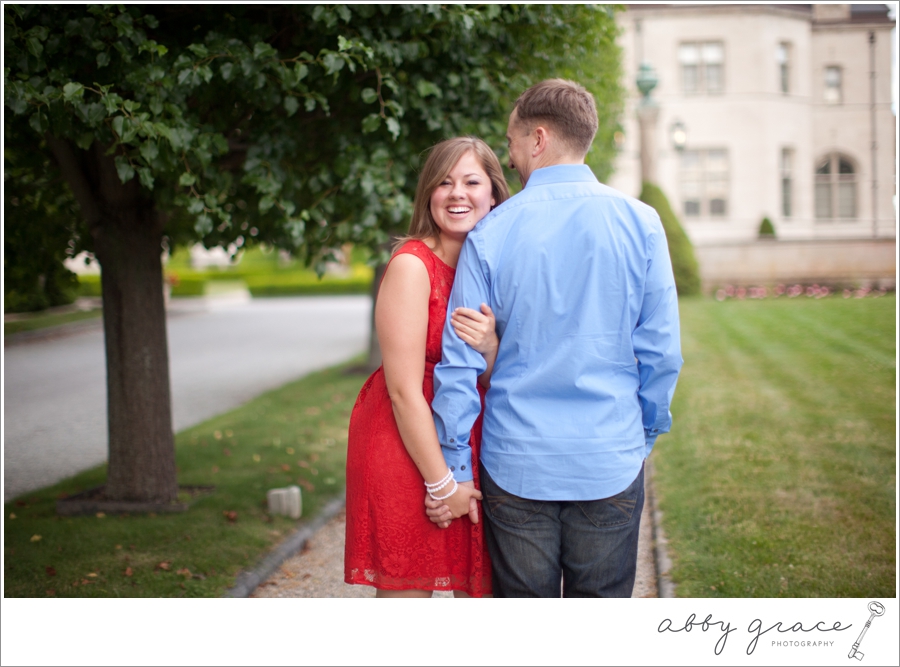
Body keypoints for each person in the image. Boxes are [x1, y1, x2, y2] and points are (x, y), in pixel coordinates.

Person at [429, 79, 684, 597]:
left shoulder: (490, 233)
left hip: (516, 458)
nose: (511, 153)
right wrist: (646, 433)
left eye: (514, 140)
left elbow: (459, 361)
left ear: (539, 139)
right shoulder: (642, 223)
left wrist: (454, 462)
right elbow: (662, 352)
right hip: (608, 453)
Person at [344, 136, 510, 598]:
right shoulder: (412, 266)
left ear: (494, 193)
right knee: (409, 594)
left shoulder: (500, 269)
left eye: (471, 181)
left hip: (469, 437)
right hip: (404, 437)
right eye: (443, 182)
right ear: (428, 196)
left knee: (481, 589)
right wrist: (441, 484)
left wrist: (492, 347)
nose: (457, 193)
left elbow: (503, 377)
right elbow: (401, 390)